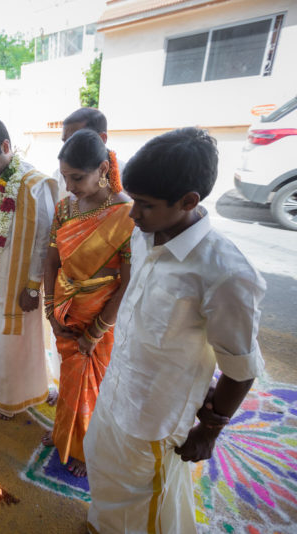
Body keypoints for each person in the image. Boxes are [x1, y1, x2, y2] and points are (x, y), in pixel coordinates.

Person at [84, 128, 266, 533]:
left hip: (154, 417)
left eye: (144, 206)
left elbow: (241, 367)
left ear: (188, 202)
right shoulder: (145, 232)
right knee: (101, 468)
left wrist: (211, 428)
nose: (133, 216)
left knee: (145, 500)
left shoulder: (225, 274)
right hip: (114, 392)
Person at [40, 129, 134, 477]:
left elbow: (127, 281)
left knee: (94, 385)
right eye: (65, 177)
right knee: (69, 378)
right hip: (65, 309)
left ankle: (87, 448)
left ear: (101, 169)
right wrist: (50, 311)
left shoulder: (125, 212)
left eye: (77, 178)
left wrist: (96, 330)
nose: (70, 186)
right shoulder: (65, 208)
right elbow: (51, 262)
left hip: (102, 316)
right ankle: (64, 432)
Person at [0, 117, 58, 420]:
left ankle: (16, 398)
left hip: (18, 286)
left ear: (6, 146)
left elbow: (46, 241)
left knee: (13, 344)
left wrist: (34, 286)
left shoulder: (34, 184)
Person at [54, 107, 120, 201]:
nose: (69, 187)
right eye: (66, 141)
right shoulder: (59, 175)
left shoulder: (125, 176)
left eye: (77, 177)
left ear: (102, 138)